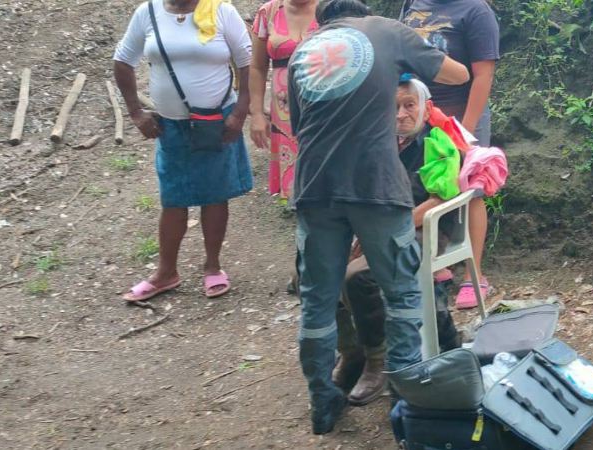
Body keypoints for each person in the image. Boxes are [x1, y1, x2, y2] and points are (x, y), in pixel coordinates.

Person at [287, 0, 469, 434]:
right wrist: (405, 63)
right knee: (402, 295)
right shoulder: (386, 30)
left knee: (316, 301)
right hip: (375, 186)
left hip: (315, 187)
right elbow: (458, 74)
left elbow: (300, 127)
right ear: (362, 12)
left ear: (324, 22)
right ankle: (404, 402)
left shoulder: (302, 53)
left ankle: (322, 404)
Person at [332, 78, 461, 407]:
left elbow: (437, 201)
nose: (400, 114)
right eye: (393, 107)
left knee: (358, 276)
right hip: (377, 228)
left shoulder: (437, 142)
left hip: (422, 230)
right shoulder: (379, 143)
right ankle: (351, 352)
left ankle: (378, 361)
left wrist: (383, 232)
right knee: (317, 266)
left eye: (409, 105)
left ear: (426, 108)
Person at [113, 0, 253, 301]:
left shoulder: (221, 11)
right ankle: (166, 273)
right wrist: (135, 112)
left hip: (216, 120)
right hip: (170, 126)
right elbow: (123, 60)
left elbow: (247, 64)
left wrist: (240, 112)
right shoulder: (148, 12)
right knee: (173, 196)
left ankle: (213, 266)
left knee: (215, 193)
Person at [401, 0, 500, 309]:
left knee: (470, 189)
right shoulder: (413, 3)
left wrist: (464, 132)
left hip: (460, 115)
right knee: (423, 185)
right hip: (419, 114)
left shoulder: (476, 11)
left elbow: (483, 76)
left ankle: (474, 275)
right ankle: (436, 264)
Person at [249, 0, 318, 201]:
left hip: (324, 109)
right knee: (293, 182)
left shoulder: (329, 8)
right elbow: (257, 67)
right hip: (284, 114)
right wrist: (257, 113)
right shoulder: (268, 13)